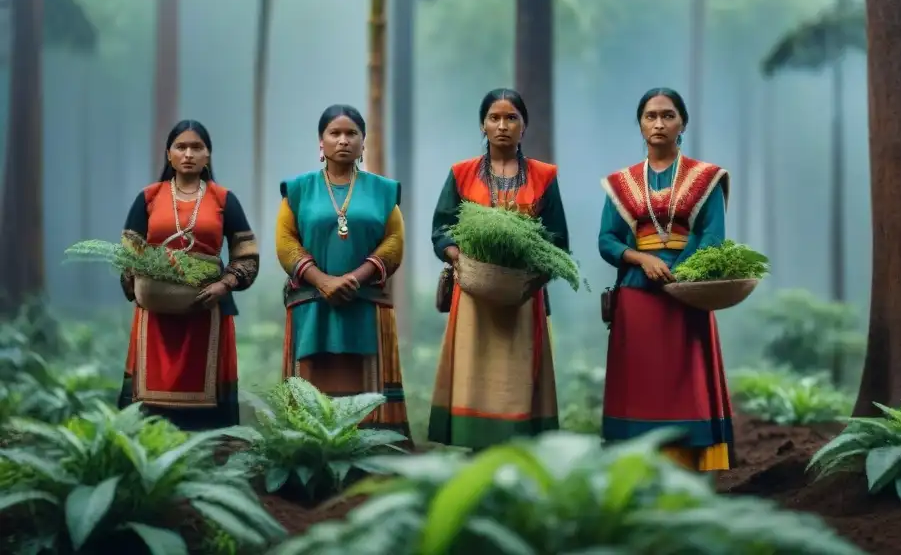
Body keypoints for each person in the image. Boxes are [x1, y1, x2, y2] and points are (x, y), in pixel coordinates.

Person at [598, 87, 734, 472]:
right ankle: (639, 467)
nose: (659, 123)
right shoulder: (621, 183)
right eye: (650, 116)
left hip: (688, 295)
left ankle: (690, 465)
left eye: (668, 115)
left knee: (686, 380)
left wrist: (678, 276)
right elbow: (606, 240)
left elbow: (712, 237)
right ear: (640, 125)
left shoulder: (705, 178)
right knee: (640, 384)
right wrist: (641, 258)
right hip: (636, 298)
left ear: (682, 123)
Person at [428, 88, 569, 449]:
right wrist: (458, 256)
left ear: (524, 126)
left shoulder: (544, 176)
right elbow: (442, 228)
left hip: (523, 299)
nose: (503, 125)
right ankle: (475, 446)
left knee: (518, 373)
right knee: (474, 372)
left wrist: (532, 272)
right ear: (482, 126)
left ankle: (518, 448)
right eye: (494, 118)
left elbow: (557, 240)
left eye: (511, 118)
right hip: (473, 295)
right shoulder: (461, 174)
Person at [276, 104, 409, 438]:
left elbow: (394, 241)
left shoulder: (382, 190)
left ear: (364, 142)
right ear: (321, 143)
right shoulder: (298, 189)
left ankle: (373, 449)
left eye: (352, 133)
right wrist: (322, 281)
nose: (343, 140)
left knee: (366, 379)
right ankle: (307, 451)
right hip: (312, 303)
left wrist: (355, 277)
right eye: (334, 133)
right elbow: (285, 241)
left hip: (365, 302)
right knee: (312, 377)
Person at [117, 120, 259, 431]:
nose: (189, 154)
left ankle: (211, 455)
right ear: (169, 154)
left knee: (206, 396)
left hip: (207, 310)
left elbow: (246, 255)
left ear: (208, 155)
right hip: (155, 315)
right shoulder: (149, 198)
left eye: (197, 147)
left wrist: (225, 284)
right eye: (181, 147)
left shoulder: (224, 200)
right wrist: (144, 286)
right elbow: (128, 254)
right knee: (151, 400)